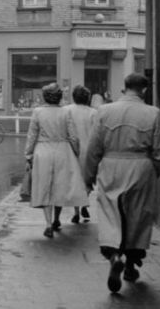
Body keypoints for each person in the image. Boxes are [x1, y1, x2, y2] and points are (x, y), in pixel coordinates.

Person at [84, 73, 160, 293]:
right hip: (141, 166)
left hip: (111, 166)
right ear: (145, 90)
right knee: (137, 216)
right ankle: (130, 264)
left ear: (124, 88)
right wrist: (151, 172)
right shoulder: (154, 114)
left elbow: (93, 149)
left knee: (111, 213)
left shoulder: (105, 111)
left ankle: (113, 255)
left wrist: (89, 177)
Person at [24, 82, 88, 239]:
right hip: (63, 151)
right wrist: (76, 152)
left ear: (45, 97)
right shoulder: (65, 113)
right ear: (59, 97)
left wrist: (28, 155)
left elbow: (32, 135)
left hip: (43, 151)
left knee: (45, 186)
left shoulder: (38, 112)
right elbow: (73, 136)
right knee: (59, 186)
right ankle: (56, 219)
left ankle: (47, 224)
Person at [64, 84, 98, 224]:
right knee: (87, 181)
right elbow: (97, 134)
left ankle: (77, 211)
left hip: (71, 150)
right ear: (88, 98)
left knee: (73, 182)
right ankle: (84, 203)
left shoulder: (66, 110)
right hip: (88, 151)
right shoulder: (94, 113)